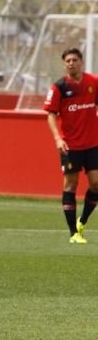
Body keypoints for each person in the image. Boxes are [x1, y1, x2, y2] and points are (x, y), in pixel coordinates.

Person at [43, 47, 98, 244]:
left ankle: (82, 221)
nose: (71, 63)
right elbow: (50, 114)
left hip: (93, 144)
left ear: (81, 61)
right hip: (71, 145)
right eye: (68, 61)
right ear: (64, 64)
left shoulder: (93, 82)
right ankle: (73, 233)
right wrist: (58, 138)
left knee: (96, 183)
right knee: (71, 185)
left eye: (74, 60)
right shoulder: (58, 87)